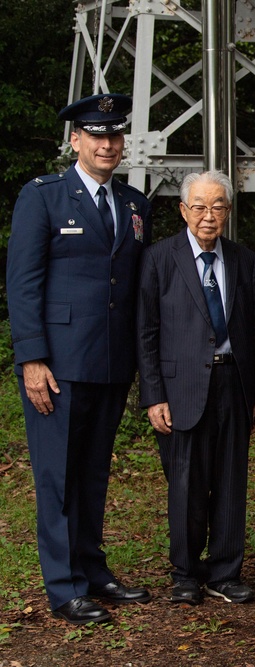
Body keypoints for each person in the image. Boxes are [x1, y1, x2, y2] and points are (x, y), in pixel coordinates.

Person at [6, 93, 153, 624]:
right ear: (76, 140)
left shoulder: (135, 204)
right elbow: (23, 285)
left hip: (111, 364)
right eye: (97, 135)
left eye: (115, 135)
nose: (108, 144)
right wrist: (32, 359)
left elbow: (134, 287)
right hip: (59, 366)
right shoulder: (43, 197)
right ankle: (64, 585)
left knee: (93, 473)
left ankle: (93, 570)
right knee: (57, 476)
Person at [137, 170, 255, 605]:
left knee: (231, 480)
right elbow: (146, 333)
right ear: (183, 210)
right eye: (199, 206)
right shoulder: (159, 259)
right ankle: (186, 574)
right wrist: (153, 394)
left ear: (227, 212)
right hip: (181, 387)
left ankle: (225, 573)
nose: (208, 216)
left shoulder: (243, 260)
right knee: (186, 483)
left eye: (217, 207)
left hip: (233, 382)